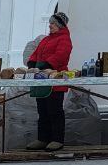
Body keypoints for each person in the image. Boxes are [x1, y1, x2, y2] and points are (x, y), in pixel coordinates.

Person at [26, 11, 73, 151]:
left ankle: (57, 139)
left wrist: (46, 65)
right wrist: (32, 63)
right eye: (50, 23)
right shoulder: (46, 39)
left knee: (55, 111)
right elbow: (36, 53)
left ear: (59, 25)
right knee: (42, 111)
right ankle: (43, 138)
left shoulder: (64, 39)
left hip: (55, 80)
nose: (50, 25)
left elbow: (61, 56)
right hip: (40, 80)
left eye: (53, 23)